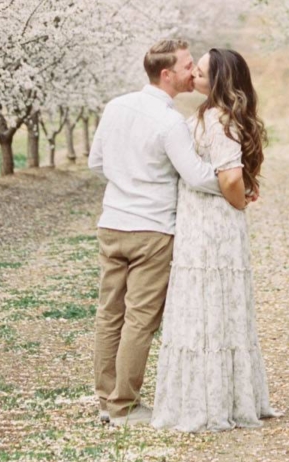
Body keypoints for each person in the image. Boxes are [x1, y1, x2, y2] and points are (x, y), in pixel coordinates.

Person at [87, 38, 241, 427]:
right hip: (152, 229)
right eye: (188, 65)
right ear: (167, 73)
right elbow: (195, 175)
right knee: (139, 319)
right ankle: (124, 406)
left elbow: (97, 163)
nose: (193, 72)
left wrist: (127, 181)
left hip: (112, 223)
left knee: (109, 314)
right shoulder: (169, 121)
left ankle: (106, 401)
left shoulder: (116, 106)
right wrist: (234, 183)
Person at [151, 47, 277, 432]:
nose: (194, 75)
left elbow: (231, 178)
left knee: (209, 306)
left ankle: (211, 400)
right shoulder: (210, 115)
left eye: (201, 71)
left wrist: (238, 202)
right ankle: (209, 396)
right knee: (205, 307)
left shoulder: (220, 120)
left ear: (219, 80)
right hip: (201, 223)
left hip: (212, 227)